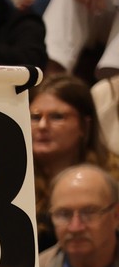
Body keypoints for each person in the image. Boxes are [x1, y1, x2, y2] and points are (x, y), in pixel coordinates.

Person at [31, 75, 119, 248]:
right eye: (35, 117)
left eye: (57, 117)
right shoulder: (11, 179)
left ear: (84, 126)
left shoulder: (113, 178)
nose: (42, 126)